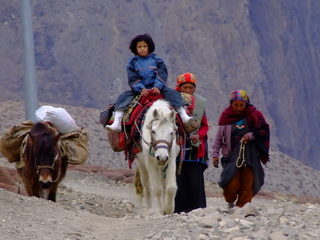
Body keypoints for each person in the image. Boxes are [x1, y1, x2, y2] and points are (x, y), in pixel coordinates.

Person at [105, 34, 199, 133]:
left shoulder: (157, 60)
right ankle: (117, 122)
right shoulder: (132, 63)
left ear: (149, 47)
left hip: (158, 88)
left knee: (173, 94)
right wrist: (141, 89)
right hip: (140, 90)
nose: (142, 49)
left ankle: (184, 116)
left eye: (144, 46)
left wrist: (157, 86)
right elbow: (133, 78)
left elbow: (161, 74)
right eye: (139, 47)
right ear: (135, 48)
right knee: (123, 98)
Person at [212, 89, 270, 208]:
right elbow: (218, 137)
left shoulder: (254, 114)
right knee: (230, 182)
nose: (238, 108)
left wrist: (251, 135)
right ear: (231, 104)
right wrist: (215, 154)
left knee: (247, 183)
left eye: (241, 105)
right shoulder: (226, 117)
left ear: (246, 103)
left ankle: (242, 209)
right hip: (231, 155)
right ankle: (230, 201)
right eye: (236, 105)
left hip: (250, 156)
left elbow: (263, 130)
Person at [173, 73, 209, 213]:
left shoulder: (199, 103)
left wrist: (198, 135)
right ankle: (178, 210)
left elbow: (205, 126)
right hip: (177, 146)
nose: (188, 90)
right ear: (179, 87)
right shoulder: (171, 101)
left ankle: (197, 210)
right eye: (185, 87)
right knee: (178, 179)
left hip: (195, 150)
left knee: (195, 180)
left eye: (191, 87)